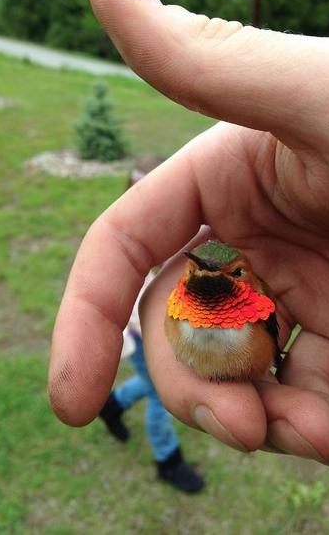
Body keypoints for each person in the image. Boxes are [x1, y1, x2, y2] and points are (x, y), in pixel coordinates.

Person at [48, 0, 329, 475]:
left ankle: (121, 406)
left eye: (223, 274)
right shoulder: (180, 306)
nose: (203, 275)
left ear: (246, 282)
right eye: (198, 272)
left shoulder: (259, 312)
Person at [98, 157, 204, 493]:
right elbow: (129, 307)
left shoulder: (178, 240)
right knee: (163, 398)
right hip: (146, 339)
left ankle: (113, 405)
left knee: (152, 384)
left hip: (169, 336)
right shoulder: (127, 252)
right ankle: (168, 460)